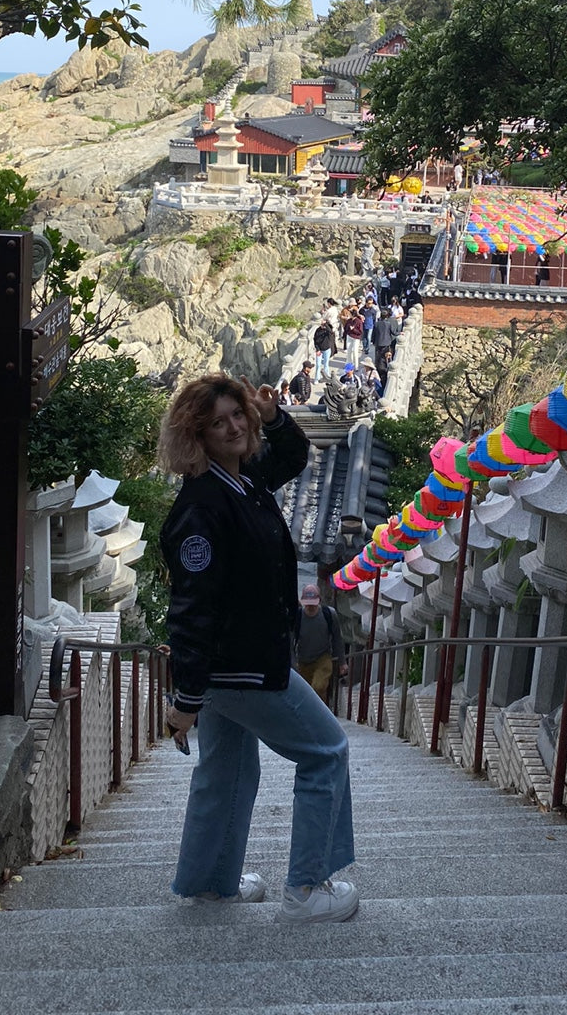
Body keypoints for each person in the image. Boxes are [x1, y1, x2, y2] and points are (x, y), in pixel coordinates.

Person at [159, 372, 358, 922]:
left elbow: (293, 458)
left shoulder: (240, 482)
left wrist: (273, 416)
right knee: (326, 751)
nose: (232, 427)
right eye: (217, 421)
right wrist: (186, 698)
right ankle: (307, 887)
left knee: (228, 771)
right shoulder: (203, 508)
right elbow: (193, 610)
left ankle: (210, 884)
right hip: (243, 666)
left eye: (237, 414)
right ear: (195, 435)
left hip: (239, 664)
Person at [294, 583, 347, 705]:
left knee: (318, 686)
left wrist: (342, 662)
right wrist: (292, 662)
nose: (310, 607)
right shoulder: (298, 617)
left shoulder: (329, 614)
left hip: (323, 657)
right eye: (308, 604)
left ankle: (316, 714)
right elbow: (291, 641)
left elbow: (337, 638)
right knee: (305, 692)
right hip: (303, 660)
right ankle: (314, 714)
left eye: (313, 603)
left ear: (319, 601)